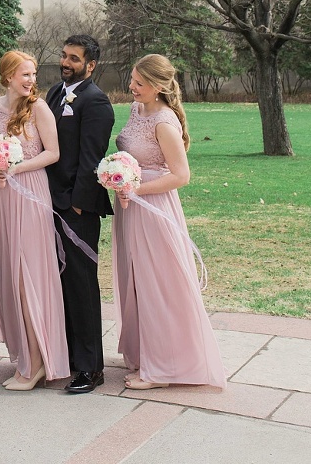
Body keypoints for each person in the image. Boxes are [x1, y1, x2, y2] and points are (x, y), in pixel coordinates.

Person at [112, 54, 226, 390]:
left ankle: (164, 367)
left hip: (153, 208)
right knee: (137, 281)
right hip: (130, 205)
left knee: (157, 283)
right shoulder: (137, 109)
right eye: (132, 79)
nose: (132, 87)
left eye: (139, 83)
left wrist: (136, 188)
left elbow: (181, 175)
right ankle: (147, 354)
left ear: (159, 87)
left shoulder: (163, 121)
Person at [0, 51, 70, 390]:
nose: (31, 80)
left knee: (28, 276)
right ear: (7, 76)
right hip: (1, 196)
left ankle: (37, 362)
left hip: (30, 193)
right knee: (7, 271)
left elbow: (53, 152)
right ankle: (23, 353)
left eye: (33, 74)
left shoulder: (39, 108)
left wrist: (15, 167)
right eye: (25, 74)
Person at [46, 34, 115, 394]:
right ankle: (70, 357)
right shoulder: (56, 94)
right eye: (64, 56)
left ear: (91, 65)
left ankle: (91, 367)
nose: (66, 62)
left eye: (74, 58)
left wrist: (75, 203)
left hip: (77, 209)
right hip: (49, 203)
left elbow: (92, 159)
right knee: (59, 283)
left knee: (81, 284)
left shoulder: (97, 102)